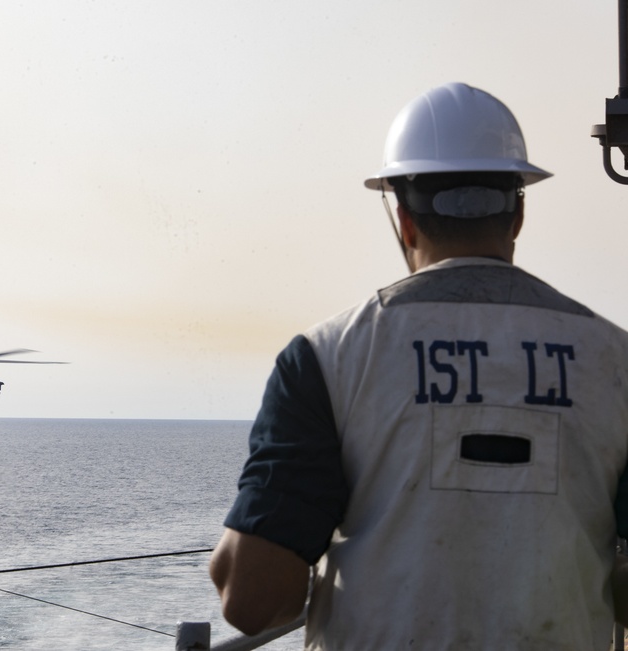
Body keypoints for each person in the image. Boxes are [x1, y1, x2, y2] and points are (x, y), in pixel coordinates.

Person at [209, 82, 628, 649]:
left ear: (402, 218)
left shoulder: (327, 358)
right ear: (518, 214)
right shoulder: (615, 361)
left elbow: (254, 601)